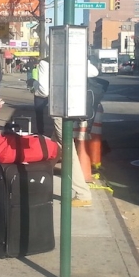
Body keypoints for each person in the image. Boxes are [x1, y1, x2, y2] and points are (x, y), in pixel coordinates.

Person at [34, 57, 96, 207]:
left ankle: (83, 193)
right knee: (55, 146)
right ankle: (37, 179)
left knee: (68, 152)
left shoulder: (46, 63)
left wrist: (34, 85)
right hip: (75, 109)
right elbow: (94, 71)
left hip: (59, 111)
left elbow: (43, 90)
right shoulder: (75, 57)